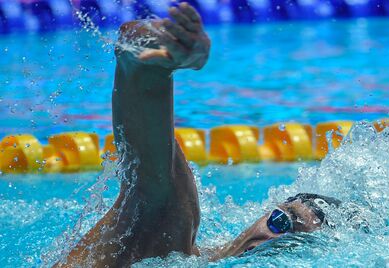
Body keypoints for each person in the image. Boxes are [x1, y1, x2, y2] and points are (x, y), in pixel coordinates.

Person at [56, 3, 341, 267]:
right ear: (265, 214)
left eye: (297, 250)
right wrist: (162, 55)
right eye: (282, 223)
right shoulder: (170, 234)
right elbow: (134, 59)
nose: (276, 245)